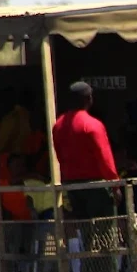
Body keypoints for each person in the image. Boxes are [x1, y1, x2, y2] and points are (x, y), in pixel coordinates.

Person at [52, 81, 120, 219]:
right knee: (104, 230)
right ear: (88, 99)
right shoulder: (92, 125)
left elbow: (59, 155)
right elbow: (105, 158)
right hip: (96, 186)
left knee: (83, 229)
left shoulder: (58, 125)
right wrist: (115, 185)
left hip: (71, 185)